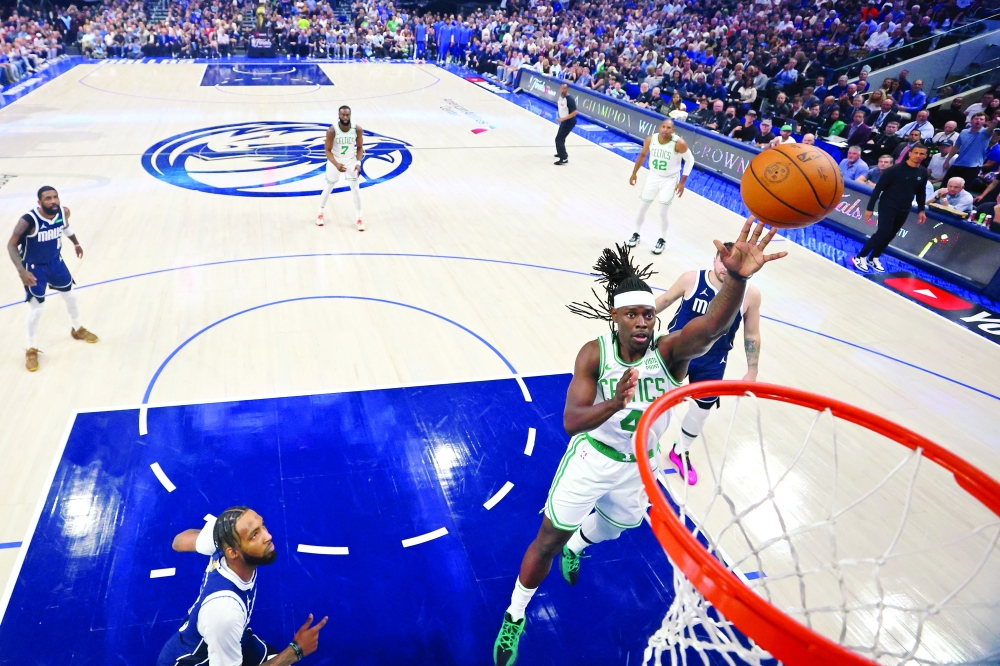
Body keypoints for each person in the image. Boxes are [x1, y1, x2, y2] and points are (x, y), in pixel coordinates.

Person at [492, 219, 786, 666]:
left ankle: (581, 544)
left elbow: (708, 329)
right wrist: (613, 403)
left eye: (649, 314)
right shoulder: (595, 353)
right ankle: (515, 615)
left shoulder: (669, 352)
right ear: (615, 317)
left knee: (610, 529)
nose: (643, 322)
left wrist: (738, 280)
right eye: (633, 314)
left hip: (638, 467)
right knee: (548, 538)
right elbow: (572, 422)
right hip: (592, 459)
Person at [157, 508, 328, 666]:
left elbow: (178, 542)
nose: (267, 536)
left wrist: (215, 534)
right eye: (254, 535)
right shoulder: (225, 613)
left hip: (228, 639)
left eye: (262, 526)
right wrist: (296, 650)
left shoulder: (225, 539)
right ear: (232, 552)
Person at [653, 246, 763, 485]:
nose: (726, 268)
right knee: (657, 402)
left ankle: (680, 451)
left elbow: (752, 333)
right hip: (676, 352)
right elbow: (663, 300)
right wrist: (635, 321)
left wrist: (752, 370)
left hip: (713, 360)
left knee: (701, 410)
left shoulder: (750, 295)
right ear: (714, 260)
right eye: (723, 261)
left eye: (733, 263)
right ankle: (647, 442)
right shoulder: (692, 278)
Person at [6, 186, 98, 372]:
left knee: (71, 296)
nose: (53, 201)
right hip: (34, 268)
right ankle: (31, 349)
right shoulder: (28, 220)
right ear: (39, 202)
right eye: (48, 198)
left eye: (55, 197)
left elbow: (66, 227)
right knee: (37, 309)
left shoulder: (63, 212)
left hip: (55, 263)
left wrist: (76, 243)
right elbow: (11, 245)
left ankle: (77, 328)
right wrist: (21, 271)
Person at [853, 143, 929, 273]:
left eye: (922, 154)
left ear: (926, 156)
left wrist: (921, 210)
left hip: (904, 208)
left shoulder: (922, 172)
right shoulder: (894, 170)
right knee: (883, 232)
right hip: (888, 204)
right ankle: (860, 256)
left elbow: (921, 192)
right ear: (909, 153)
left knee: (891, 235)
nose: (918, 156)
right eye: (916, 153)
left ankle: (874, 257)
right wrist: (870, 208)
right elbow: (878, 189)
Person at [627, 119, 695, 255]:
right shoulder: (650, 140)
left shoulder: (679, 143)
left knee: (662, 211)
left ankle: (662, 239)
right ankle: (636, 233)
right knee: (642, 207)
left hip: (670, 179)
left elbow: (690, 160)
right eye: (663, 127)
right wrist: (634, 173)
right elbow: (642, 155)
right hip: (653, 176)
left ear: (673, 130)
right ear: (659, 127)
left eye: (668, 127)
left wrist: (682, 182)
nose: (665, 129)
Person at [317, 105, 364, 231]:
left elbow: (360, 147)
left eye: (347, 114)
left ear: (350, 115)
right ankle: (320, 213)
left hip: (350, 161)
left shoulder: (357, 129)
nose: (345, 116)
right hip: (334, 161)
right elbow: (327, 150)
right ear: (338, 115)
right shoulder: (332, 130)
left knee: (355, 190)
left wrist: (358, 162)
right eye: (342, 114)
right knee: (328, 187)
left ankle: (359, 217)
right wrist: (336, 164)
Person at [943, 112, 990, 188]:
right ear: (971, 121)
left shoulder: (986, 133)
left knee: (963, 188)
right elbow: (956, 147)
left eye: (981, 119)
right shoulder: (964, 132)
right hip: (958, 163)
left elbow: (991, 129)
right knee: (945, 185)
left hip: (973, 167)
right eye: (976, 118)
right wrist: (947, 160)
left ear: (985, 122)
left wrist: (995, 122)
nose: (978, 120)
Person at [554, 83, 578, 165]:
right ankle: (561, 152)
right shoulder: (561, 97)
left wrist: (563, 118)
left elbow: (575, 112)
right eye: (561, 88)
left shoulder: (570, 99)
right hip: (564, 120)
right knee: (561, 138)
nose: (562, 90)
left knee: (558, 139)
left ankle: (564, 158)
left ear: (567, 89)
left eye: (564, 89)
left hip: (569, 121)